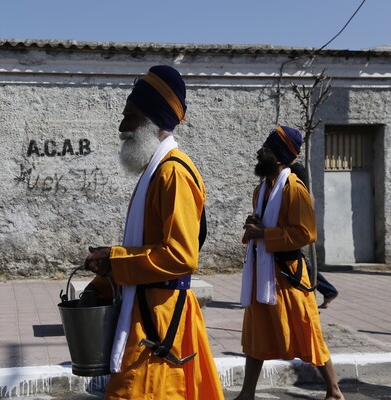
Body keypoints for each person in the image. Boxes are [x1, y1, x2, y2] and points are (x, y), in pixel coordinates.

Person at [81, 65, 224, 399]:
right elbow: (146, 248)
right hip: (146, 313)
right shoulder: (155, 172)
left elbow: (180, 256)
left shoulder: (172, 174)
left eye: (129, 117)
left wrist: (114, 261)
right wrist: (104, 280)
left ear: (151, 119)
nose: (121, 127)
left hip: (159, 321)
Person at [235, 126, 344, 400]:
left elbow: (306, 233)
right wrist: (255, 224)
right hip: (264, 274)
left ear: (280, 158)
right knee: (256, 334)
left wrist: (264, 233)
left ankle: (334, 391)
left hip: (289, 276)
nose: (261, 152)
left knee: (308, 331)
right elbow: (269, 223)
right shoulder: (261, 190)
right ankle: (247, 393)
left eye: (268, 149)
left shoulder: (294, 189)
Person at [289, 161, 339, 309]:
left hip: (299, 221)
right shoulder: (292, 169)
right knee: (300, 261)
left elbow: (306, 195)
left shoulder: (296, 169)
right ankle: (326, 291)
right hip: (299, 219)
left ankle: (325, 291)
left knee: (300, 261)